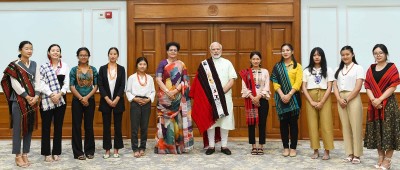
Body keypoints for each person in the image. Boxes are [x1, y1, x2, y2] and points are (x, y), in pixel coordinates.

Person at [190, 42, 237, 155]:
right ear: (210, 50)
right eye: (213, 49)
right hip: (210, 99)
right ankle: (211, 146)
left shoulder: (227, 63)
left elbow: (232, 80)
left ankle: (224, 146)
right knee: (211, 122)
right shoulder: (204, 64)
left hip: (225, 97)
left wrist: (221, 92)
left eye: (218, 49)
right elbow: (199, 83)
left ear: (221, 50)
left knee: (225, 122)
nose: (216, 51)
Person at [1, 41, 40, 167]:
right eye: (26, 48)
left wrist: (37, 96)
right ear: (20, 50)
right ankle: (17, 156)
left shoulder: (34, 64)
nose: (29, 51)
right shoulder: (14, 65)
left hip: (33, 100)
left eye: (31, 49)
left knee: (28, 127)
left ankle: (25, 154)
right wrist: (27, 96)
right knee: (18, 129)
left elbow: (38, 81)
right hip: (18, 100)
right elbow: (14, 84)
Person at [364, 44, 400, 169]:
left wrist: (380, 99)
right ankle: (380, 157)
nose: (378, 55)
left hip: (388, 105)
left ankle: (387, 161)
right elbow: (367, 85)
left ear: (386, 54)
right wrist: (373, 100)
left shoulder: (392, 67)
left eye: (380, 53)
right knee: (377, 130)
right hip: (374, 105)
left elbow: (393, 85)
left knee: (389, 131)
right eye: (375, 53)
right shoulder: (371, 68)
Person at [154, 41, 194, 154]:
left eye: (175, 50)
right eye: (171, 50)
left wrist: (175, 91)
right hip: (164, 100)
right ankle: (164, 147)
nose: (173, 52)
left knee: (178, 122)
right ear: (167, 51)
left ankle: (177, 147)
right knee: (164, 123)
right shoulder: (162, 63)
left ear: (177, 52)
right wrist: (167, 91)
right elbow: (158, 79)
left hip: (178, 100)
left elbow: (185, 81)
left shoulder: (182, 64)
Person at [333, 45, 364, 164]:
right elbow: (335, 86)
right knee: (345, 127)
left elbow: (358, 86)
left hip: (353, 97)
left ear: (353, 54)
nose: (345, 56)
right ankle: (349, 153)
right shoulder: (338, 69)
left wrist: (347, 99)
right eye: (343, 55)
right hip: (340, 98)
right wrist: (339, 98)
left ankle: (357, 154)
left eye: (347, 54)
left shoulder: (358, 68)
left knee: (355, 126)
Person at [270, 43, 302, 157]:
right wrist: (282, 94)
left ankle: (293, 147)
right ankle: (285, 147)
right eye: (283, 50)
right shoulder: (277, 66)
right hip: (281, 98)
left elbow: (298, 82)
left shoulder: (297, 66)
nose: (285, 52)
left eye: (287, 50)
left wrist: (289, 94)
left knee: (293, 124)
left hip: (294, 98)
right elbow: (274, 82)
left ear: (292, 52)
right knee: (283, 124)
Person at [302, 47, 334, 160]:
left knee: (326, 124)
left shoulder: (328, 70)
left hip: (325, 96)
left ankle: (327, 151)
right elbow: (304, 87)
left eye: (319, 55)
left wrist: (322, 102)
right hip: (310, 96)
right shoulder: (306, 70)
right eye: (314, 55)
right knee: (312, 125)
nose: (316, 57)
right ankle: (315, 150)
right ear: (311, 57)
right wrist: (311, 101)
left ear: (322, 56)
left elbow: (330, 87)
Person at [39, 44, 69, 162]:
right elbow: (41, 83)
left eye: (57, 51)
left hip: (61, 100)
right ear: (49, 53)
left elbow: (66, 83)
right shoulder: (43, 66)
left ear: (60, 53)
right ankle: (46, 153)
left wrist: (59, 94)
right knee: (46, 127)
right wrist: (51, 94)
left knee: (58, 127)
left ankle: (56, 152)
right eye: (53, 50)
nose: (55, 52)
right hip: (47, 100)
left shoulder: (65, 66)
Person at [70, 47, 98, 160]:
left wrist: (86, 97)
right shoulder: (73, 70)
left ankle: (89, 151)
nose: (83, 57)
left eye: (85, 55)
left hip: (90, 100)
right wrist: (81, 98)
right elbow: (71, 86)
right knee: (76, 126)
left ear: (88, 56)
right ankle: (78, 152)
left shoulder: (94, 70)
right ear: (77, 56)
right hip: (77, 100)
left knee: (89, 126)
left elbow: (96, 86)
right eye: (81, 55)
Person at [240, 51, 270, 155]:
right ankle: (253, 146)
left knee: (262, 123)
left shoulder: (265, 72)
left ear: (260, 60)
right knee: (251, 123)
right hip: (250, 100)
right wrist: (253, 98)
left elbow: (267, 86)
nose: (255, 61)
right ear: (250, 60)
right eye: (253, 59)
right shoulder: (246, 73)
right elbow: (244, 87)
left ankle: (261, 145)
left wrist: (259, 96)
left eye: (257, 59)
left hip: (263, 100)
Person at [98, 47, 125, 159]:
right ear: (108, 55)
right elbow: (101, 85)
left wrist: (116, 99)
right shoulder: (102, 68)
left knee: (118, 127)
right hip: (106, 101)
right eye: (111, 54)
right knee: (106, 126)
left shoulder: (121, 69)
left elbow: (122, 85)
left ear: (118, 56)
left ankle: (116, 149)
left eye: (115, 54)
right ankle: (107, 149)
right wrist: (108, 99)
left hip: (118, 101)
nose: (113, 56)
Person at [126, 57, 155, 158]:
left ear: (147, 66)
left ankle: (142, 147)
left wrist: (149, 99)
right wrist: (135, 99)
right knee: (134, 127)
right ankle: (135, 148)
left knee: (144, 126)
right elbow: (128, 91)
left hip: (146, 103)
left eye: (144, 64)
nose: (142, 66)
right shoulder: (132, 78)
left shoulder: (150, 78)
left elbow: (153, 91)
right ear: (137, 66)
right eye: (140, 64)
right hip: (135, 102)